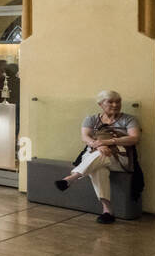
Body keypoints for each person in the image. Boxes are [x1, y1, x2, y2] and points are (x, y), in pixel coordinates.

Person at [55, 90, 141, 224]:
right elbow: (85, 137)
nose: (115, 105)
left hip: (120, 157)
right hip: (96, 155)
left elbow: (134, 138)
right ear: (101, 104)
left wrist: (109, 142)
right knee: (99, 168)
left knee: (100, 157)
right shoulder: (91, 119)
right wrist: (98, 145)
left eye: (118, 102)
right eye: (110, 102)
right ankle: (107, 211)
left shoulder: (128, 119)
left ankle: (73, 177)